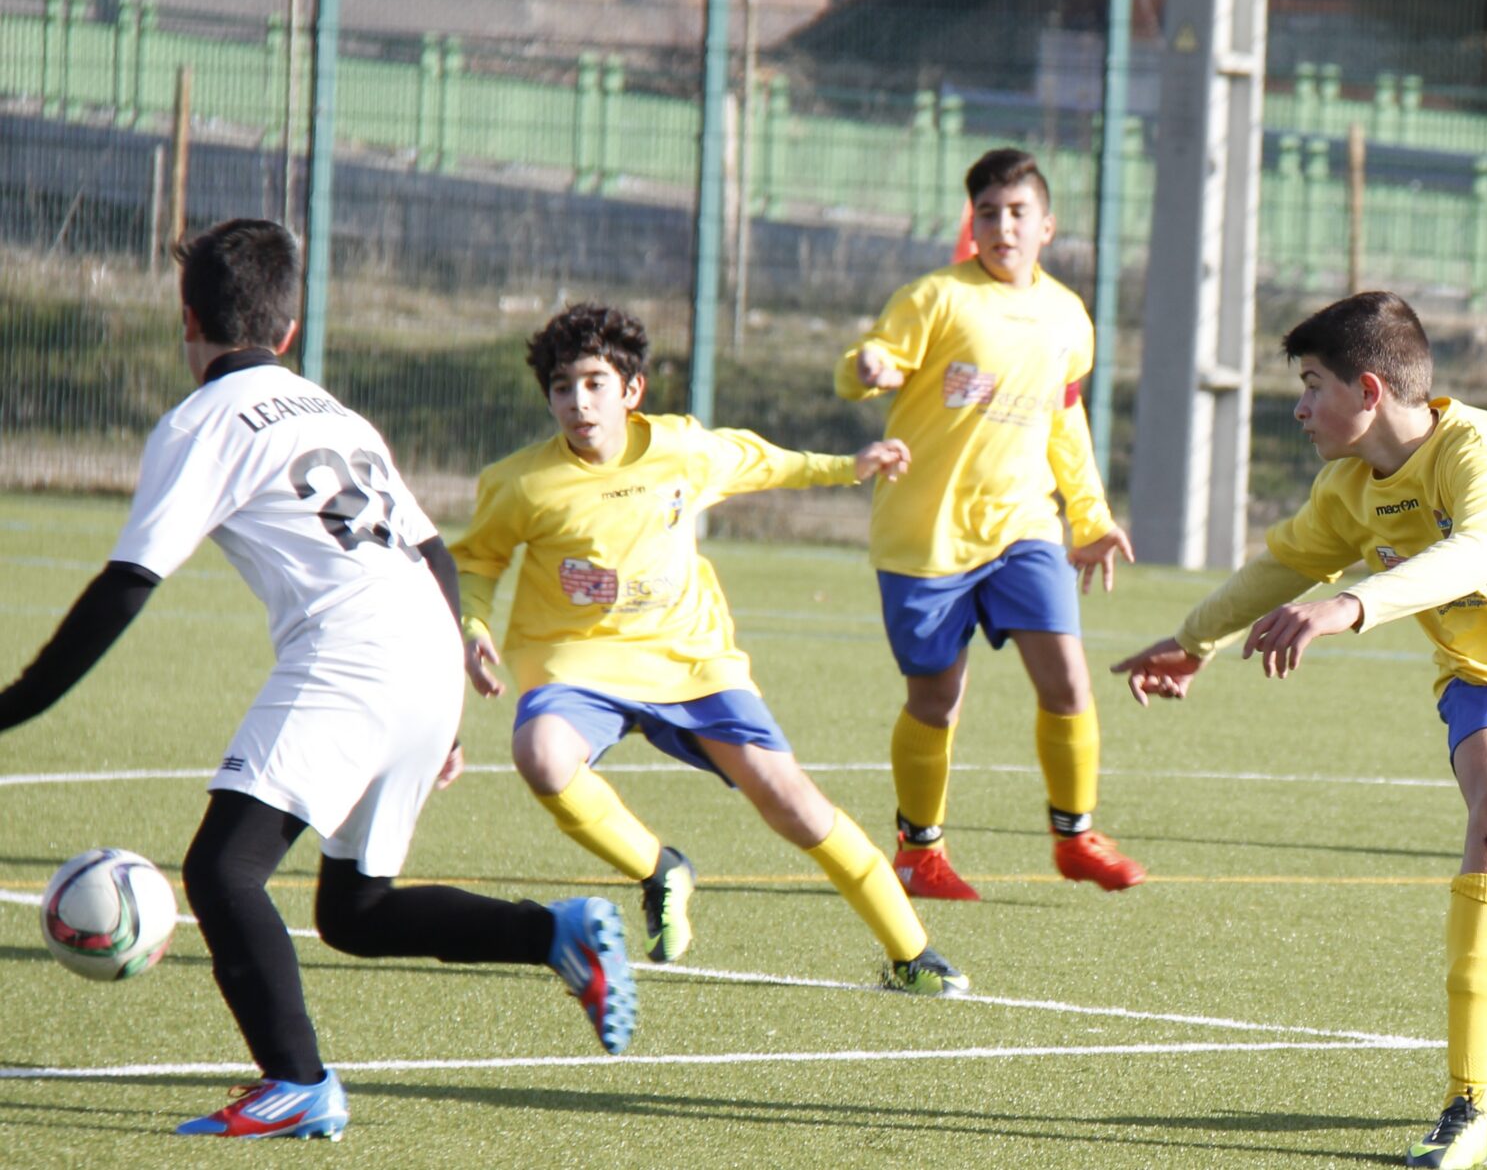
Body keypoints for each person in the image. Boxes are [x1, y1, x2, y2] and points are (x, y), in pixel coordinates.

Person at [0, 220, 637, 1140]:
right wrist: (444, 708)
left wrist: (15, 704)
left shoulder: (200, 422)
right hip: (423, 648)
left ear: (189, 320)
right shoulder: (333, 412)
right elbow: (430, 552)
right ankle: (556, 933)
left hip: (354, 654)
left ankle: (296, 1081)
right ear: (288, 332)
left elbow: (126, 586)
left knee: (223, 873)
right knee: (356, 910)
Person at [1110, 292, 1487, 1169]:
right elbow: (1285, 562)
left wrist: (1351, 604)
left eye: (1311, 386)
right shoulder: (1348, 486)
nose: (1299, 409)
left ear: (1368, 389)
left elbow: (1480, 551)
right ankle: (1467, 1104)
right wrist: (1194, 643)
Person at [452, 302, 966, 995]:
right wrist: (475, 627)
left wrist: (849, 465)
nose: (579, 403)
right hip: (578, 662)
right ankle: (658, 868)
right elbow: (477, 561)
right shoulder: (519, 482)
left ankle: (911, 953)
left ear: (631, 391)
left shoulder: (681, 449)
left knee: (793, 803)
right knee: (542, 756)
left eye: (596, 383)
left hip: (691, 661)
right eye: (563, 387)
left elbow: (764, 463)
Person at [837, 147, 1144, 901]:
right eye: (987, 214)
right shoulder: (936, 297)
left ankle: (1075, 838)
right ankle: (918, 850)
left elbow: (1064, 423)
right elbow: (859, 366)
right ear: (971, 224)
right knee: (937, 698)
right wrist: (869, 366)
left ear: (1047, 225)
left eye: (1017, 213)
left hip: (1021, 528)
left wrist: (1091, 518)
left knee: (1067, 677)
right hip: (925, 536)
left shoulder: (1067, 316)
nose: (1002, 226)